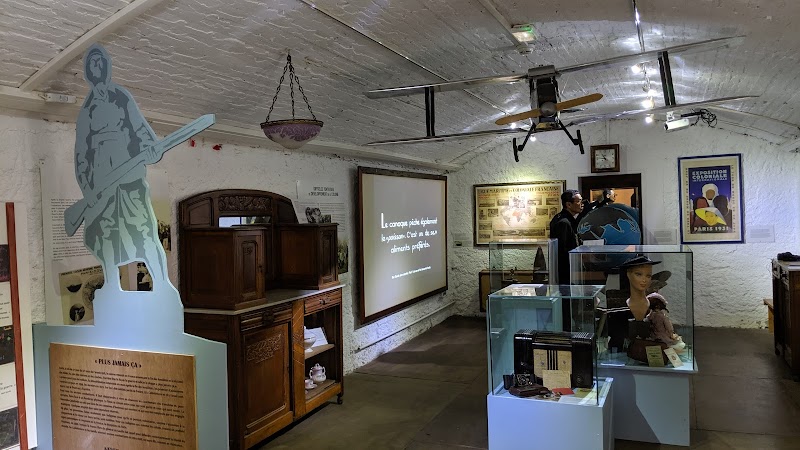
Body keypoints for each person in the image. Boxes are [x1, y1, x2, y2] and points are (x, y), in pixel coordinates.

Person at [72, 44, 169, 293]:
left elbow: (138, 127)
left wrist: (151, 147)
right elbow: (82, 152)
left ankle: (163, 285)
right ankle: (113, 286)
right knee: (105, 233)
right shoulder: (86, 111)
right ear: (87, 71)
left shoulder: (121, 96)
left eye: (99, 61)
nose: (96, 66)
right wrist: (87, 188)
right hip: (103, 180)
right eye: (91, 63)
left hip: (129, 175)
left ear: (106, 67)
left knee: (145, 230)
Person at [549, 190, 584, 285]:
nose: (582, 204)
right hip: (565, 271)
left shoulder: (563, 218)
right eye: (579, 201)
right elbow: (563, 251)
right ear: (568, 204)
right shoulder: (563, 222)